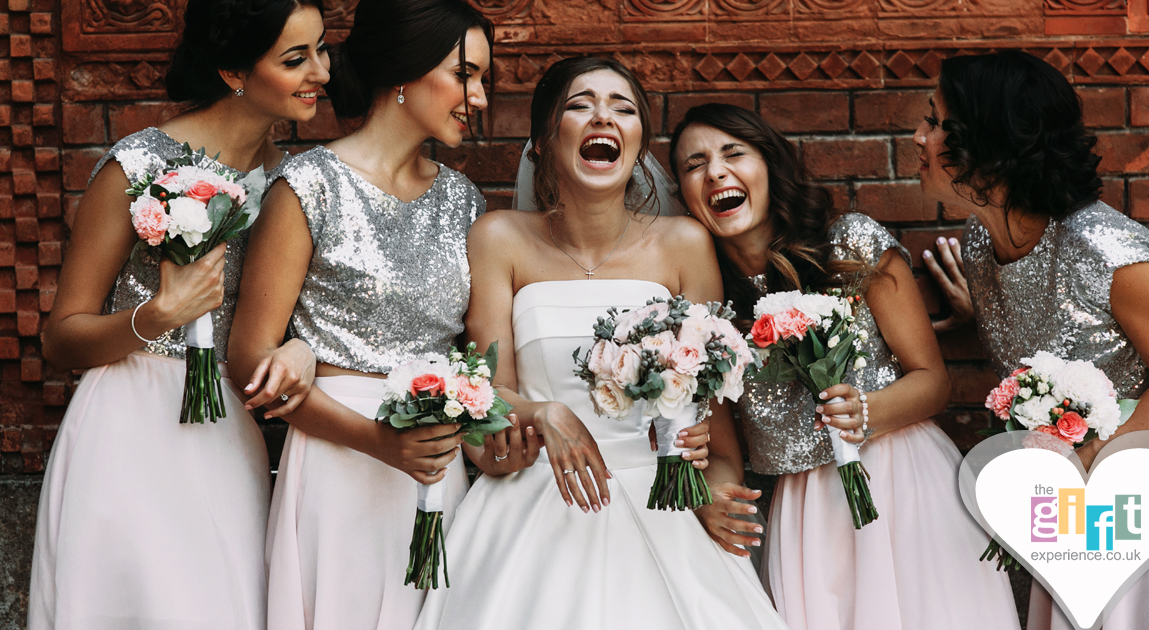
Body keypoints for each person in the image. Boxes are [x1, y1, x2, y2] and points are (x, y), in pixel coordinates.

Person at [413, 56, 788, 630]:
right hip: (534, 498)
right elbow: (489, 393)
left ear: (639, 146)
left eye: (623, 108)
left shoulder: (684, 244)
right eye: (581, 105)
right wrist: (545, 413)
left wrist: (713, 488)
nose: (603, 118)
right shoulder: (498, 238)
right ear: (542, 141)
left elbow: (713, 417)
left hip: (666, 500)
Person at [28, 0, 329, 627]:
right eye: (296, 59)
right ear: (233, 72)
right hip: (127, 429)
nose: (321, 73)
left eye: (321, 51)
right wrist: (156, 315)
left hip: (225, 430)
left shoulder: (295, 184)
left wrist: (302, 349)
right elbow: (61, 338)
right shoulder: (138, 165)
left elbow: (301, 322)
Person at [668, 102, 1022, 630]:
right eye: (694, 164)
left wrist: (865, 409)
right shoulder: (708, 309)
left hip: (900, 478)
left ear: (769, 165)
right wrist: (706, 495)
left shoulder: (848, 244)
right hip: (805, 510)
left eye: (733, 153)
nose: (716, 171)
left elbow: (933, 382)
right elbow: (721, 447)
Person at [225, 1, 497, 628]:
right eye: (466, 75)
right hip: (335, 462)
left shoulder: (463, 200)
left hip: (432, 467)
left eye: (483, 79)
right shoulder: (308, 184)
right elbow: (247, 359)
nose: (478, 97)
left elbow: (477, 356)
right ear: (405, 70)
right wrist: (379, 441)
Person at [918, 50, 1149, 630]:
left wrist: (1088, 465)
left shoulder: (1107, 251)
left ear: (984, 145)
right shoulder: (979, 243)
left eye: (935, 121)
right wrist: (980, 314)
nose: (918, 135)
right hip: (1080, 493)